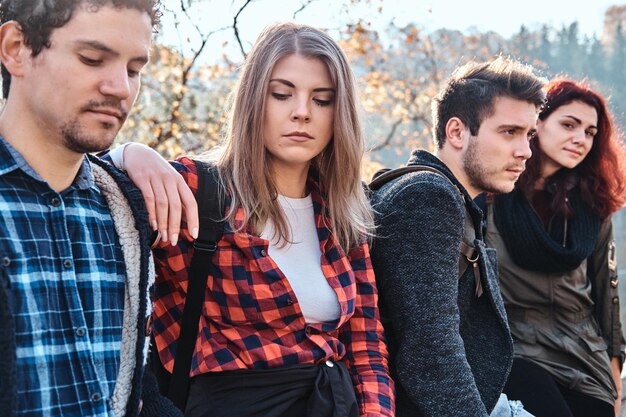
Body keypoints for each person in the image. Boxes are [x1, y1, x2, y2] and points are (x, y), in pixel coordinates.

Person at [107, 22, 394, 417]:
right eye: (281, 94)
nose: (301, 113)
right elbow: (88, 184)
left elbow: (366, 345)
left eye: (322, 100)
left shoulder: (345, 214)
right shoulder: (199, 189)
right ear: (254, 99)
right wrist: (128, 154)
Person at [0, 1, 183, 416]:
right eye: (92, 59)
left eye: (134, 69)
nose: (120, 88)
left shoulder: (125, 210)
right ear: (15, 48)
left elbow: (135, 386)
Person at [369, 57, 546, 416]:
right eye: (509, 131)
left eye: (529, 135)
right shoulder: (428, 195)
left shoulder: (449, 198)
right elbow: (431, 351)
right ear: (457, 132)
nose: (525, 151)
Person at [483, 79, 626, 417]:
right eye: (569, 125)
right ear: (537, 123)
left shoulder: (592, 209)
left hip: (585, 358)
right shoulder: (491, 197)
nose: (580, 139)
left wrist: (614, 369)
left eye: (590, 133)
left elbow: (608, 293)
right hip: (518, 353)